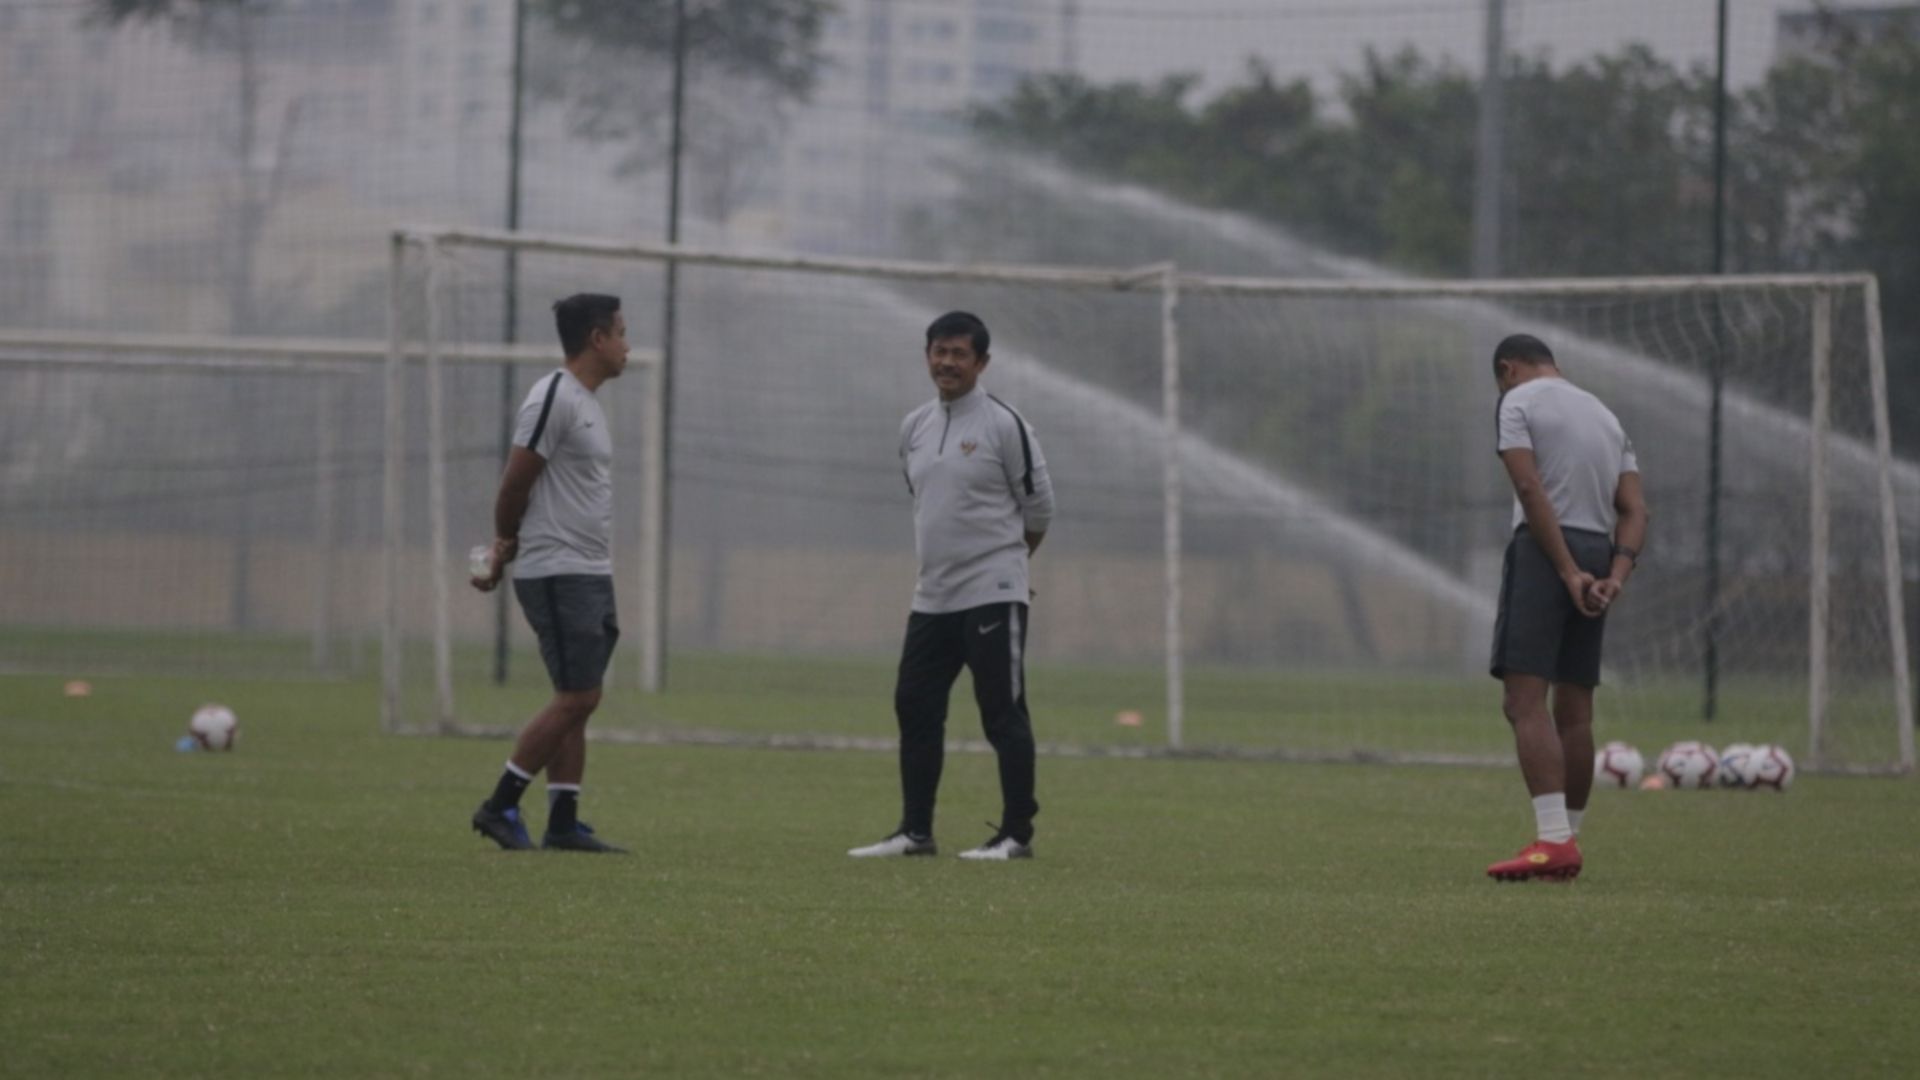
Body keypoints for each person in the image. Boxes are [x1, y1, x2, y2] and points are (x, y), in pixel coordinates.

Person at [849, 311, 1056, 862]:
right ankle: (915, 832)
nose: (946, 362)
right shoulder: (914, 426)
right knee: (913, 704)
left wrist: (1008, 570)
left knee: (1002, 712)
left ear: (981, 363)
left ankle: (1016, 836)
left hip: (993, 590)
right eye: (938, 351)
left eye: (959, 353)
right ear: (927, 356)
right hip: (932, 596)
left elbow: (1040, 509)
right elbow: (927, 502)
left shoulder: (1005, 425)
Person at [468, 293, 630, 854]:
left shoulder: (587, 402)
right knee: (578, 698)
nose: (628, 346)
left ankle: (563, 821)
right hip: (557, 568)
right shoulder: (553, 396)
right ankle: (499, 805)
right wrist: (502, 545)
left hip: (588, 568)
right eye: (622, 333)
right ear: (597, 339)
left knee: (578, 695)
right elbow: (515, 482)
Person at [1484, 333, 1648, 882]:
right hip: (1600, 550)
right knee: (1575, 711)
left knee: (1522, 701)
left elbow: (1529, 489)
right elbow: (1634, 510)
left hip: (1544, 550)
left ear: (1508, 369)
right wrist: (1613, 576)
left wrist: (1562, 568)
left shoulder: (1517, 401)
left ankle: (1553, 841)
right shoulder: (1605, 414)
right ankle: (1567, 840)